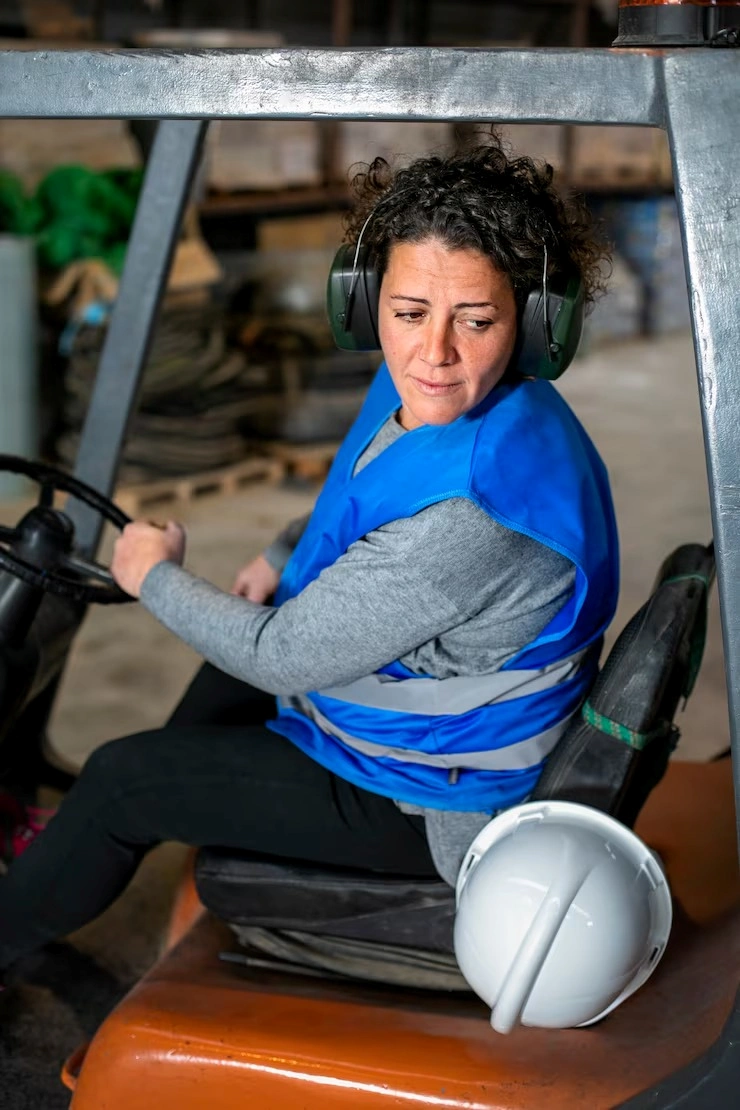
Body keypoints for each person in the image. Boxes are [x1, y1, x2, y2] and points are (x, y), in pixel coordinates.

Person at [0, 134, 618, 981]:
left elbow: (281, 651)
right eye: (408, 314)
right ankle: (111, 842)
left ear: (538, 322)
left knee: (120, 779)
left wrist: (151, 575)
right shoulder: (450, 400)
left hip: (423, 794)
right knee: (208, 700)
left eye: (476, 321)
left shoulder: (469, 519)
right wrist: (282, 549)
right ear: (370, 303)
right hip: (403, 719)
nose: (433, 351)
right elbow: (364, 495)